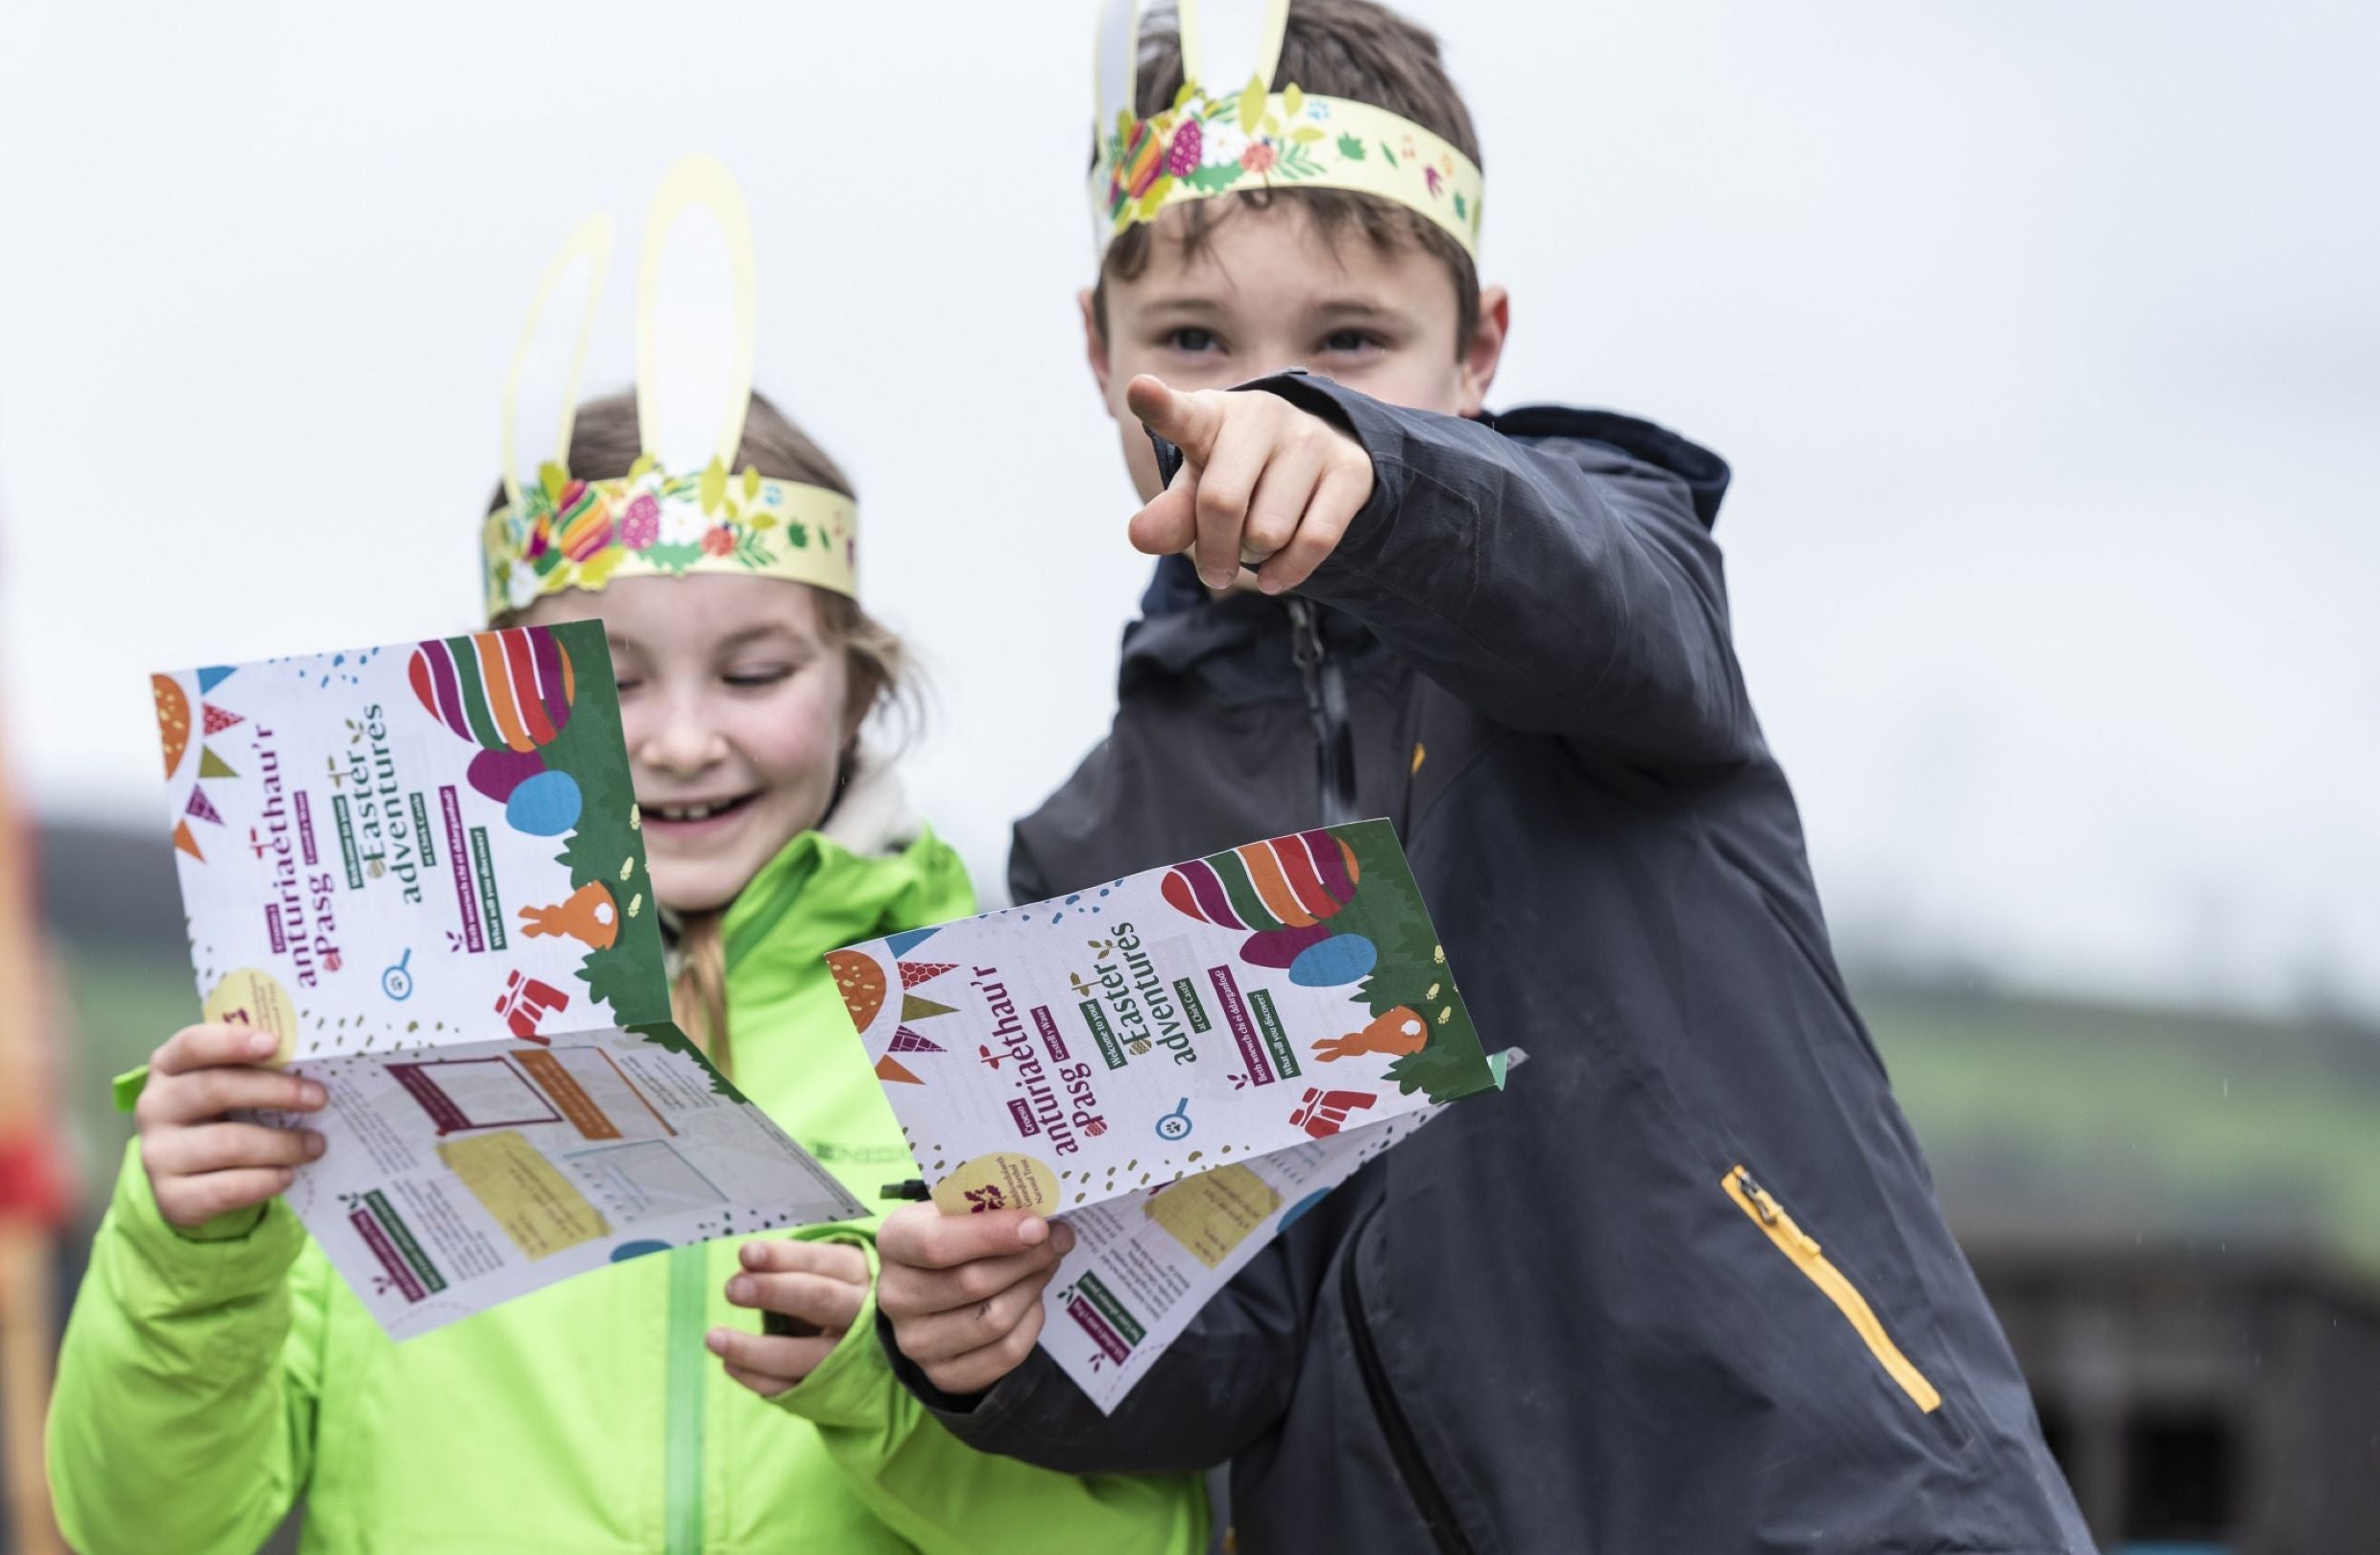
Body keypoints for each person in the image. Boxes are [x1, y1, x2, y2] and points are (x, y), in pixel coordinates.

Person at [868, 3, 2094, 1550]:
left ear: (1479, 352)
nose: (1257, 400)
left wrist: (1374, 475)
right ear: (1097, 354)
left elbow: (1582, 583)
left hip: (1838, 1509)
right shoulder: (1092, 834)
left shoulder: (1605, 562)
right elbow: (1236, 1329)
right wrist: (1006, 1341)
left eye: (1350, 345)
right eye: (1193, 341)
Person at [43, 387, 1208, 1554]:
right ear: (496, 700)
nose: (683, 740)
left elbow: (1135, 1536)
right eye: (608, 677)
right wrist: (189, 1250)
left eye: (753, 674)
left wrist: (896, 1394)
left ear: (855, 688)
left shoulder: (1000, 1038)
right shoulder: (350, 1040)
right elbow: (143, 1529)